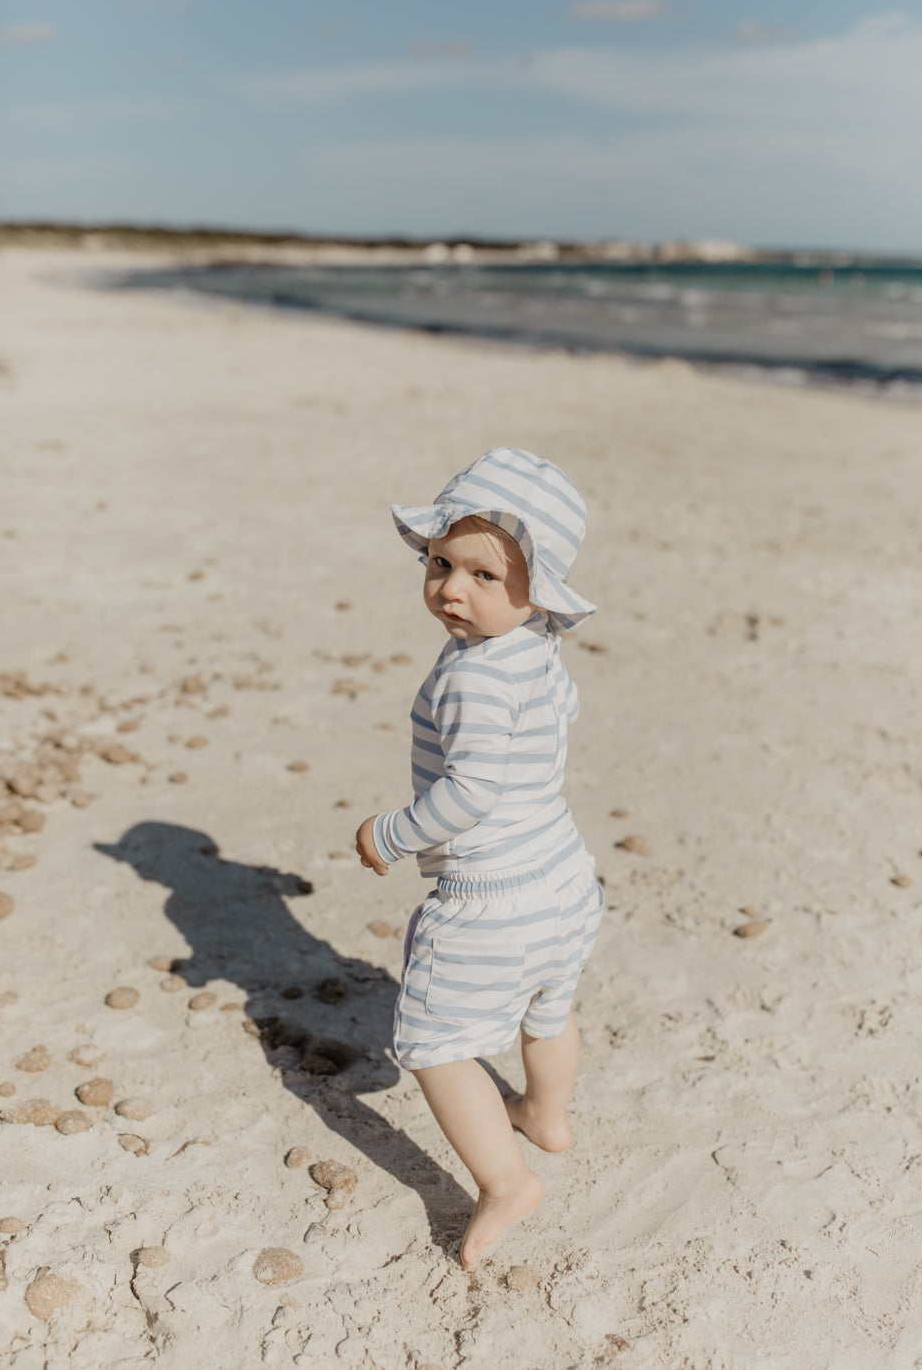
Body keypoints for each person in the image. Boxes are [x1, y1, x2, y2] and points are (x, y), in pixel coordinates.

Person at [355, 446, 604, 1270]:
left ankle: (505, 1181)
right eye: (439, 563)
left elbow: (470, 793)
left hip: (490, 896)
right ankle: (546, 1112)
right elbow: (554, 724)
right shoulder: (538, 648)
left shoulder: (469, 679)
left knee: (430, 1041)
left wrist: (391, 833)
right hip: (565, 876)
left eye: (483, 577)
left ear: (535, 588)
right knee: (549, 1001)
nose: (451, 589)